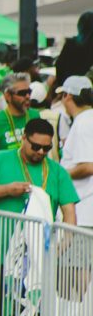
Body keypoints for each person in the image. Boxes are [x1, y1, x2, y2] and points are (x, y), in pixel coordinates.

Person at [0, 119, 79, 316]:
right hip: (2, 254)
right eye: (35, 146)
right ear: (23, 139)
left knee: (39, 314)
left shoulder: (56, 171)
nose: (40, 152)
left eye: (46, 148)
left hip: (39, 257)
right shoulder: (0, 159)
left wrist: (63, 245)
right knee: (6, 315)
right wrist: (7, 190)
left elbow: (70, 213)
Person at [0, 73, 39, 156]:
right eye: (22, 93)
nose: (28, 96)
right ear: (8, 96)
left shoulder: (36, 116)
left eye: (29, 92)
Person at [58, 76, 93, 225]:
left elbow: (88, 166)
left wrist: (59, 174)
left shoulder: (84, 122)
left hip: (84, 210)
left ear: (68, 96)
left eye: (62, 95)